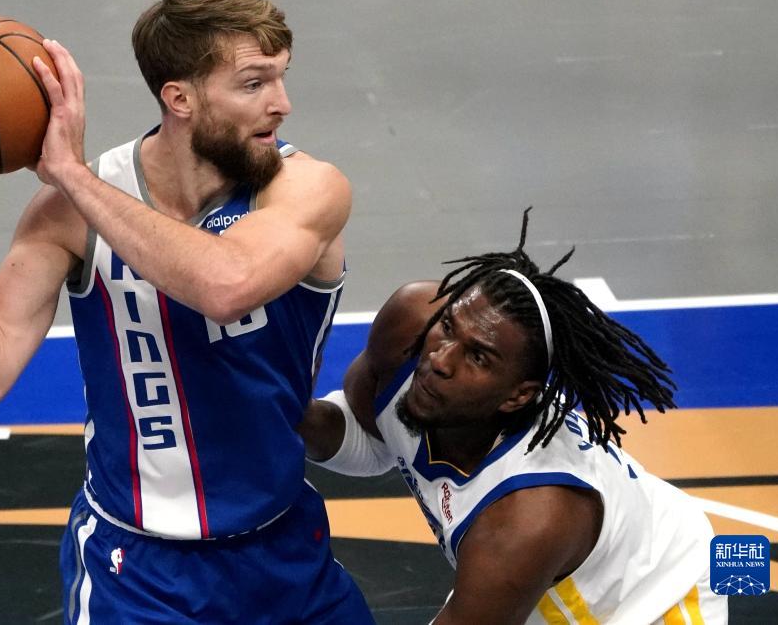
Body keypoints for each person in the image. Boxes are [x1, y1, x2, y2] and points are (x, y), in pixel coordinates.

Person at [0, 0, 373, 623]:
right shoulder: (69, 212)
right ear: (179, 98)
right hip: (138, 575)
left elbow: (225, 286)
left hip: (285, 552)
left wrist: (72, 176)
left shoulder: (306, 188)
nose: (282, 104)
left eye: (280, 77)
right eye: (254, 84)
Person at [298, 209, 728, 624]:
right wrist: (287, 414)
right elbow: (369, 439)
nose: (441, 360)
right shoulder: (412, 326)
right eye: (449, 326)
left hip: (652, 594)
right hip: (538, 573)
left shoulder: (528, 516)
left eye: (478, 357)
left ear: (518, 395)